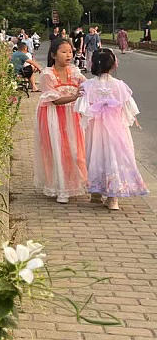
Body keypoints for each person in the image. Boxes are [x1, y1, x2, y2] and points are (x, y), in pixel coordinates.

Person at [75, 48, 147, 211]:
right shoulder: (120, 86)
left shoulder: (87, 85)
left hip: (96, 129)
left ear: (92, 64)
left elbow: (82, 110)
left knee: (96, 155)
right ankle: (113, 197)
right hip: (116, 129)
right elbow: (129, 110)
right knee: (115, 156)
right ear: (114, 64)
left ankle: (96, 193)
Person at [34, 38, 87, 204]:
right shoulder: (47, 74)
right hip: (54, 117)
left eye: (70, 51)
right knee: (58, 151)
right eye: (64, 52)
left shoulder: (75, 72)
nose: (68, 55)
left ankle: (76, 183)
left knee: (76, 151)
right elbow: (55, 100)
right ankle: (61, 188)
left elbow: (87, 87)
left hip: (73, 116)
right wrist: (75, 96)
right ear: (53, 55)